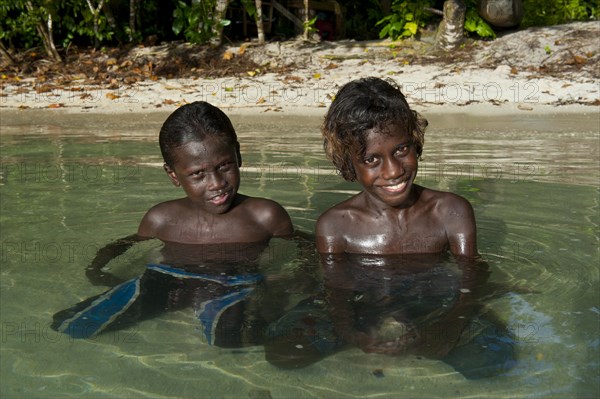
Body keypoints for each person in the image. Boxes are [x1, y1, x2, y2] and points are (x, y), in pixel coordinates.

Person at [265, 77, 516, 379]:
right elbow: (337, 294)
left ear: (415, 141)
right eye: (372, 159)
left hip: (431, 303)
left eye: (401, 149)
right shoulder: (336, 226)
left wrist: (447, 327)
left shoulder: (450, 211)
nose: (394, 170)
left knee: (493, 361)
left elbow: (471, 279)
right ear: (348, 164)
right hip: (363, 305)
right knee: (285, 351)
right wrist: (353, 335)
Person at [52, 101, 295, 344]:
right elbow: (127, 245)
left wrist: (280, 288)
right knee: (72, 325)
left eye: (224, 166)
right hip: (168, 281)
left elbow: (294, 257)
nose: (216, 183)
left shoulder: (265, 216)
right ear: (173, 175)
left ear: (238, 155)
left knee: (231, 338)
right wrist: (97, 269)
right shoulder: (162, 219)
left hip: (233, 283)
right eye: (198, 174)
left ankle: (217, 313)